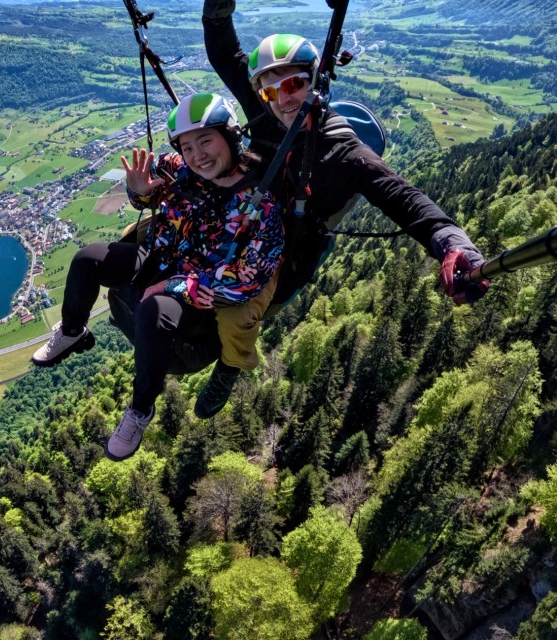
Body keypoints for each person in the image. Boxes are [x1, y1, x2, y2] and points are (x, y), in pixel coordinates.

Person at [31, 93, 284, 460]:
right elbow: (148, 198)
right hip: (161, 255)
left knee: (153, 309)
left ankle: (139, 409)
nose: (197, 155)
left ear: (231, 137)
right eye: (187, 146)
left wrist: (174, 286)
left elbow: (246, 280)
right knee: (88, 259)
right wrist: (139, 193)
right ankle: (73, 332)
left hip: (198, 286)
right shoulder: (177, 167)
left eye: (206, 140)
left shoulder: (259, 205)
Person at [201, 0, 490, 309]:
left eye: (294, 84)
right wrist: (217, 11)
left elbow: (404, 199)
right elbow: (225, 56)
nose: (283, 99)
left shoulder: (344, 154)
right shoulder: (267, 110)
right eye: (270, 91)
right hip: (241, 222)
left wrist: (453, 246)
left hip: (289, 255)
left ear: (315, 81)